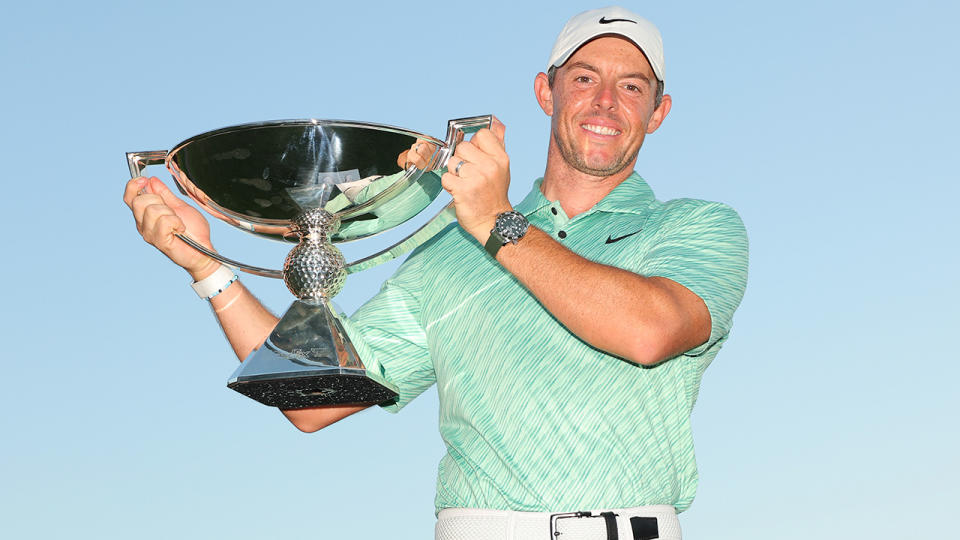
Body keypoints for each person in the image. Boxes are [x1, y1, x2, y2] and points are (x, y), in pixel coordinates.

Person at [123, 7, 747, 540]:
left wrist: (498, 221)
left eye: (632, 87)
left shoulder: (695, 228)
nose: (605, 102)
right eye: (584, 78)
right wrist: (209, 268)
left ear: (659, 111)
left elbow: (650, 331)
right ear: (545, 92)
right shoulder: (451, 249)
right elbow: (314, 400)